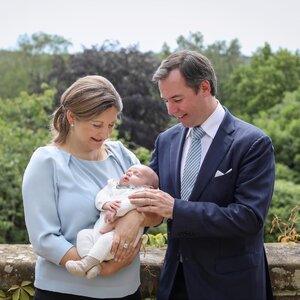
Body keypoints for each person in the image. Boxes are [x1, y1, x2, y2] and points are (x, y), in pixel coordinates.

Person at [130, 50, 275, 300]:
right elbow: (154, 204)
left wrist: (177, 209)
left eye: (177, 99)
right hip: (175, 283)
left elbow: (249, 218)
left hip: (231, 287)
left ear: (204, 87)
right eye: (165, 100)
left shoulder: (252, 142)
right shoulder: (166, 141)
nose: (170, 110)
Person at [22, 75, 161, 300]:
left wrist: (136, 219)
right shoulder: (46, 162)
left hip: (126, 291)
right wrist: (101, 267)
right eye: (97, 125)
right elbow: (43, 238)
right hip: (64, 291)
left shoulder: (122, 155)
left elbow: (156, 211)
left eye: (111, 124)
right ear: (71, 117)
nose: (105, 133)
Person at [65, 164, 159, 279]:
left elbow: (130, 204)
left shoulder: (142, 194)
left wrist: (116, 210)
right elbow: (101, 196)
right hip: (97, 233)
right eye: (128, 171)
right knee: (83, 234)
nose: (129, 173)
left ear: (149, 188)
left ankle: (85, 264)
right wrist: (105, 204)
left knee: (107, 239)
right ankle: (92, 264)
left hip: (118, 241)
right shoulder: (113, 187)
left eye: (136, 174)